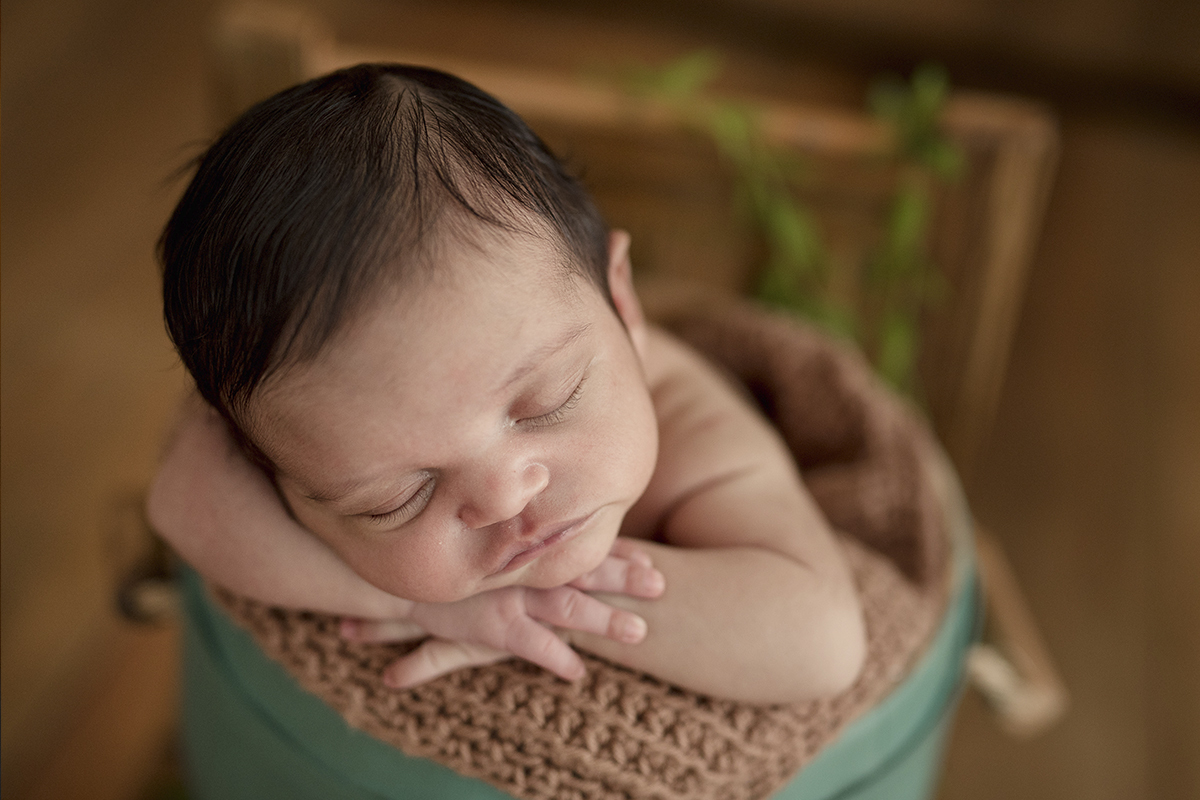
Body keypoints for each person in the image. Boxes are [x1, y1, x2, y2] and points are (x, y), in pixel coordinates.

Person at [148, 63, 864, 705]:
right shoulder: (308, 428)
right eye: (398, 498)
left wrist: (551, 607)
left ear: (623, 301)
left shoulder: (694, 432)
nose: (502, 497)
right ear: (276, 475)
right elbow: (182, 500)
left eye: (545, 404)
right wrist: (430, 606)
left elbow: (821, 641)